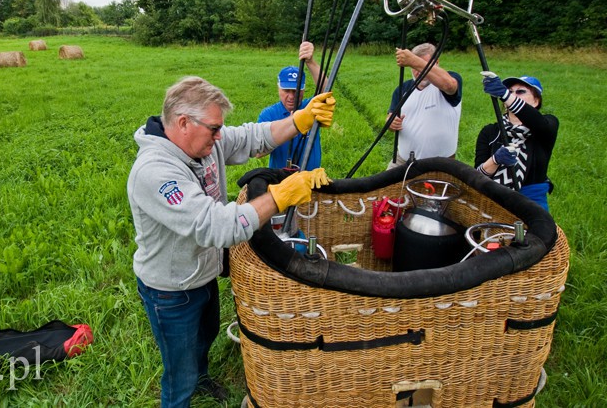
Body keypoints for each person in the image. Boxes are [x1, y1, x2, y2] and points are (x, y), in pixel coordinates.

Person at [127, 76, 335, 408]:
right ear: (183, 123)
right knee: (177, 373)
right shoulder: (155, 173)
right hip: (170, 289)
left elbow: (254, 137)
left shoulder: (202, 141)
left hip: (202, 272)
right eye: (213, 128)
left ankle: (202, 378)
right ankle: (182, 395)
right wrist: (279, 196)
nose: (220, 135)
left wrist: (300, 120)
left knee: (203, 338)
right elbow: (215, 226)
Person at [475, 74, 559, 211]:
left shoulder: (547, 124)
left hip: (533, 202)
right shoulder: (490, 131)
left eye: (521, 91)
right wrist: (495, 160)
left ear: (536, 101)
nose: (513, 94)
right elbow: (478, 177)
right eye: (510, 91)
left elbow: (538, 123)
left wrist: (505, 94)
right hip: (494, 198)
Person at [385, 43, 462, 168]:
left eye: (422, 65)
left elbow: (449, 86)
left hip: (442, 164)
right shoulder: (402, 89)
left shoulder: (450, 79)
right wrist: (391, 122)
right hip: (402, 160)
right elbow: (390, 118)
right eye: (414, 67)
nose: (418, 71)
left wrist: (414, 61)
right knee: (383, 186)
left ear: (436, 62)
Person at [257, 41, 325, 170]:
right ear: (278, 88)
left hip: (311, 178)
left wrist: (310, 62)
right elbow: (258, 153)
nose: (291, 96)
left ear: (303, 90)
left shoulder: (310, 108)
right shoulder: (268, 114)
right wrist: (289, 129)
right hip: (281, 182)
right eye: (286, 91)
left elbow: (326, 92)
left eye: (296, 91)